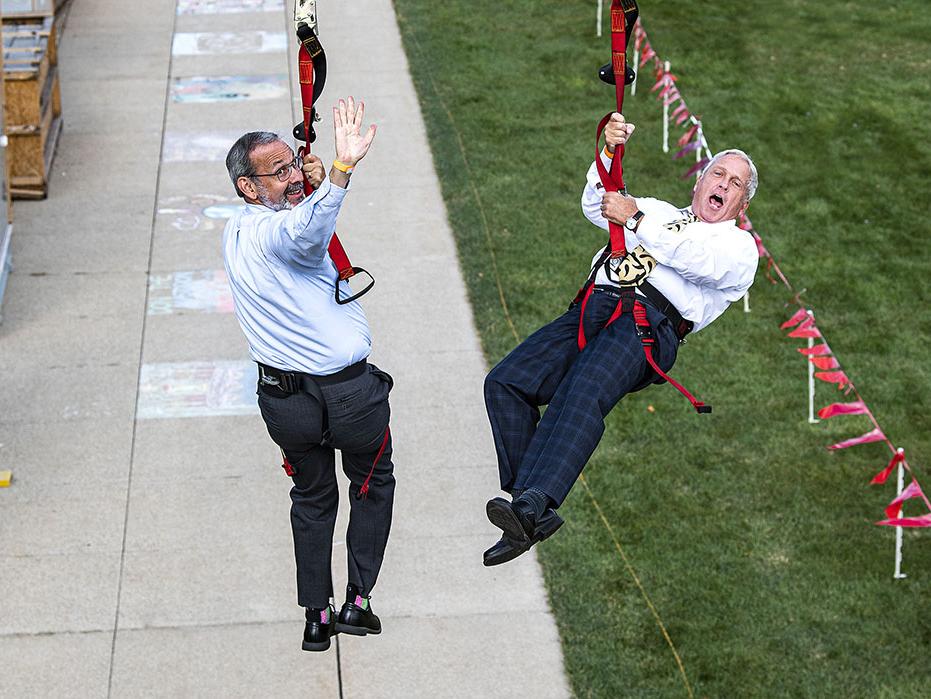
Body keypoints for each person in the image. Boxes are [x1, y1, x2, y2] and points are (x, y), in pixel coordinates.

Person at [482, 113, 759, 566]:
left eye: (735, 184)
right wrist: (609, 153)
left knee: (582, 390)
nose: (723, 185)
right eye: (718, 174)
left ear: (741, 204)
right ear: (699, 181)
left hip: (647, 325)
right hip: (595, 306)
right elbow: (600, 205)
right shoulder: (662, 211)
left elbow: (692, 260)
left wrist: (635, 219)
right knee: (506, 382)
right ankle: (528, 508)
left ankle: (535, 502)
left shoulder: (737, 249)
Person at [222, 97, 392, 652]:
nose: (294, 174)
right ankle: (358, 601)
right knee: (370, 486)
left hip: (285, 403)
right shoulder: (279, 234)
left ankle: (316, 617)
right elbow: (302, 234)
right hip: (349, 397)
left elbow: (301, 223)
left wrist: (312, 185)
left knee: (312, 500)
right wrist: (339, 172)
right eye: (279, 172)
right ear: (248, 187)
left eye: (294, 162)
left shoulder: (238, 233)